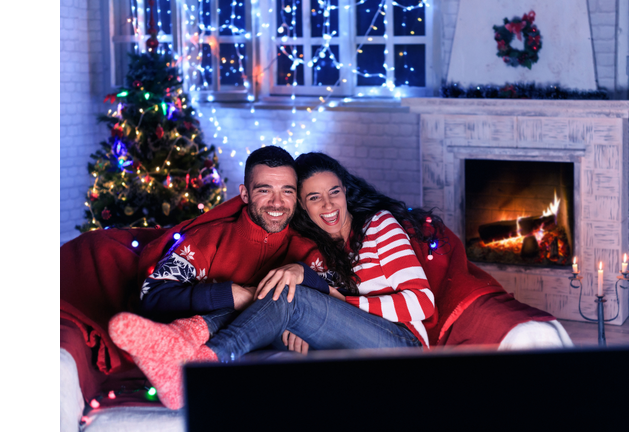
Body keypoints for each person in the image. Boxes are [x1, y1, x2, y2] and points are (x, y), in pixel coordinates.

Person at [109, 151, 439, 409]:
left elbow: (422, 302)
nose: (328, 205)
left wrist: (334, 301)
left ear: (345, 192)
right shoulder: (315, 245)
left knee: (287, 293)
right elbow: (304, 319)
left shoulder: (378, 225)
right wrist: (290, 328)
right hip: (354, 344)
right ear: (302, 207)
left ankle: (204, 364)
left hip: (404, 346)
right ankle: (180, 336)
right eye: (313, 198)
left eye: (334, 192)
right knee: (272, 294)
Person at [108, 146, 329, 409]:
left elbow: (329, 304)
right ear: (245, 194)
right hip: (222, 355)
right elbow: (153, 297)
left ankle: (185, 351)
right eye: (264, 190)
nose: (277, 202)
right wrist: (227, 295)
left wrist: (305, 330)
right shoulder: (208, 240)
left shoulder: (308, 251)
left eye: (287, 191)